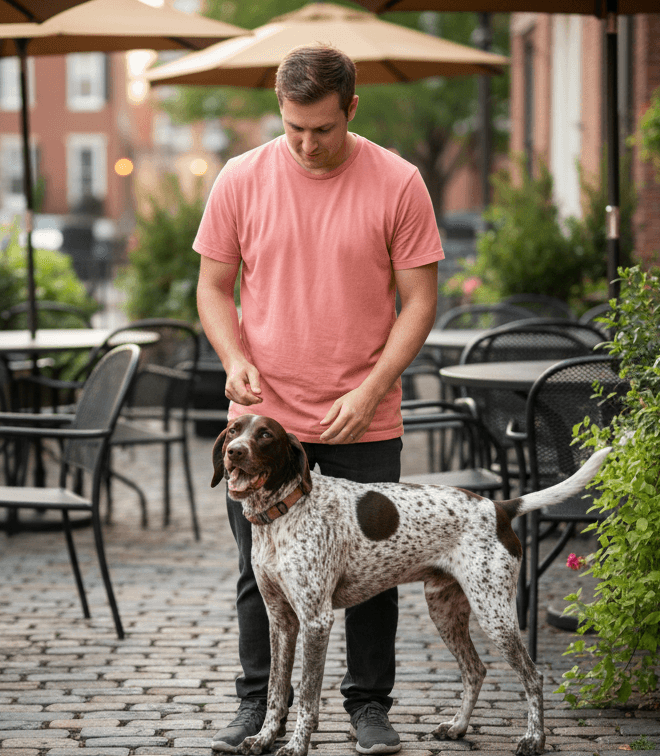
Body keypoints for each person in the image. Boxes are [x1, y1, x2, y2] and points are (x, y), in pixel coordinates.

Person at [194, 43, 443, 756]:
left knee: (374, 574)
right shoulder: (240, 179)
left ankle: (369, 709)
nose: (307, 144)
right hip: (264, 425)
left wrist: (371, 390)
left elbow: (420, 302)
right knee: (260, 575)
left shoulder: (399, 182)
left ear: (351, 109)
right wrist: (233, 357)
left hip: (364, 417)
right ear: (280, 108)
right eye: (294, 127)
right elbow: (213, 287)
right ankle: (256, 705)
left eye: (323, 129)